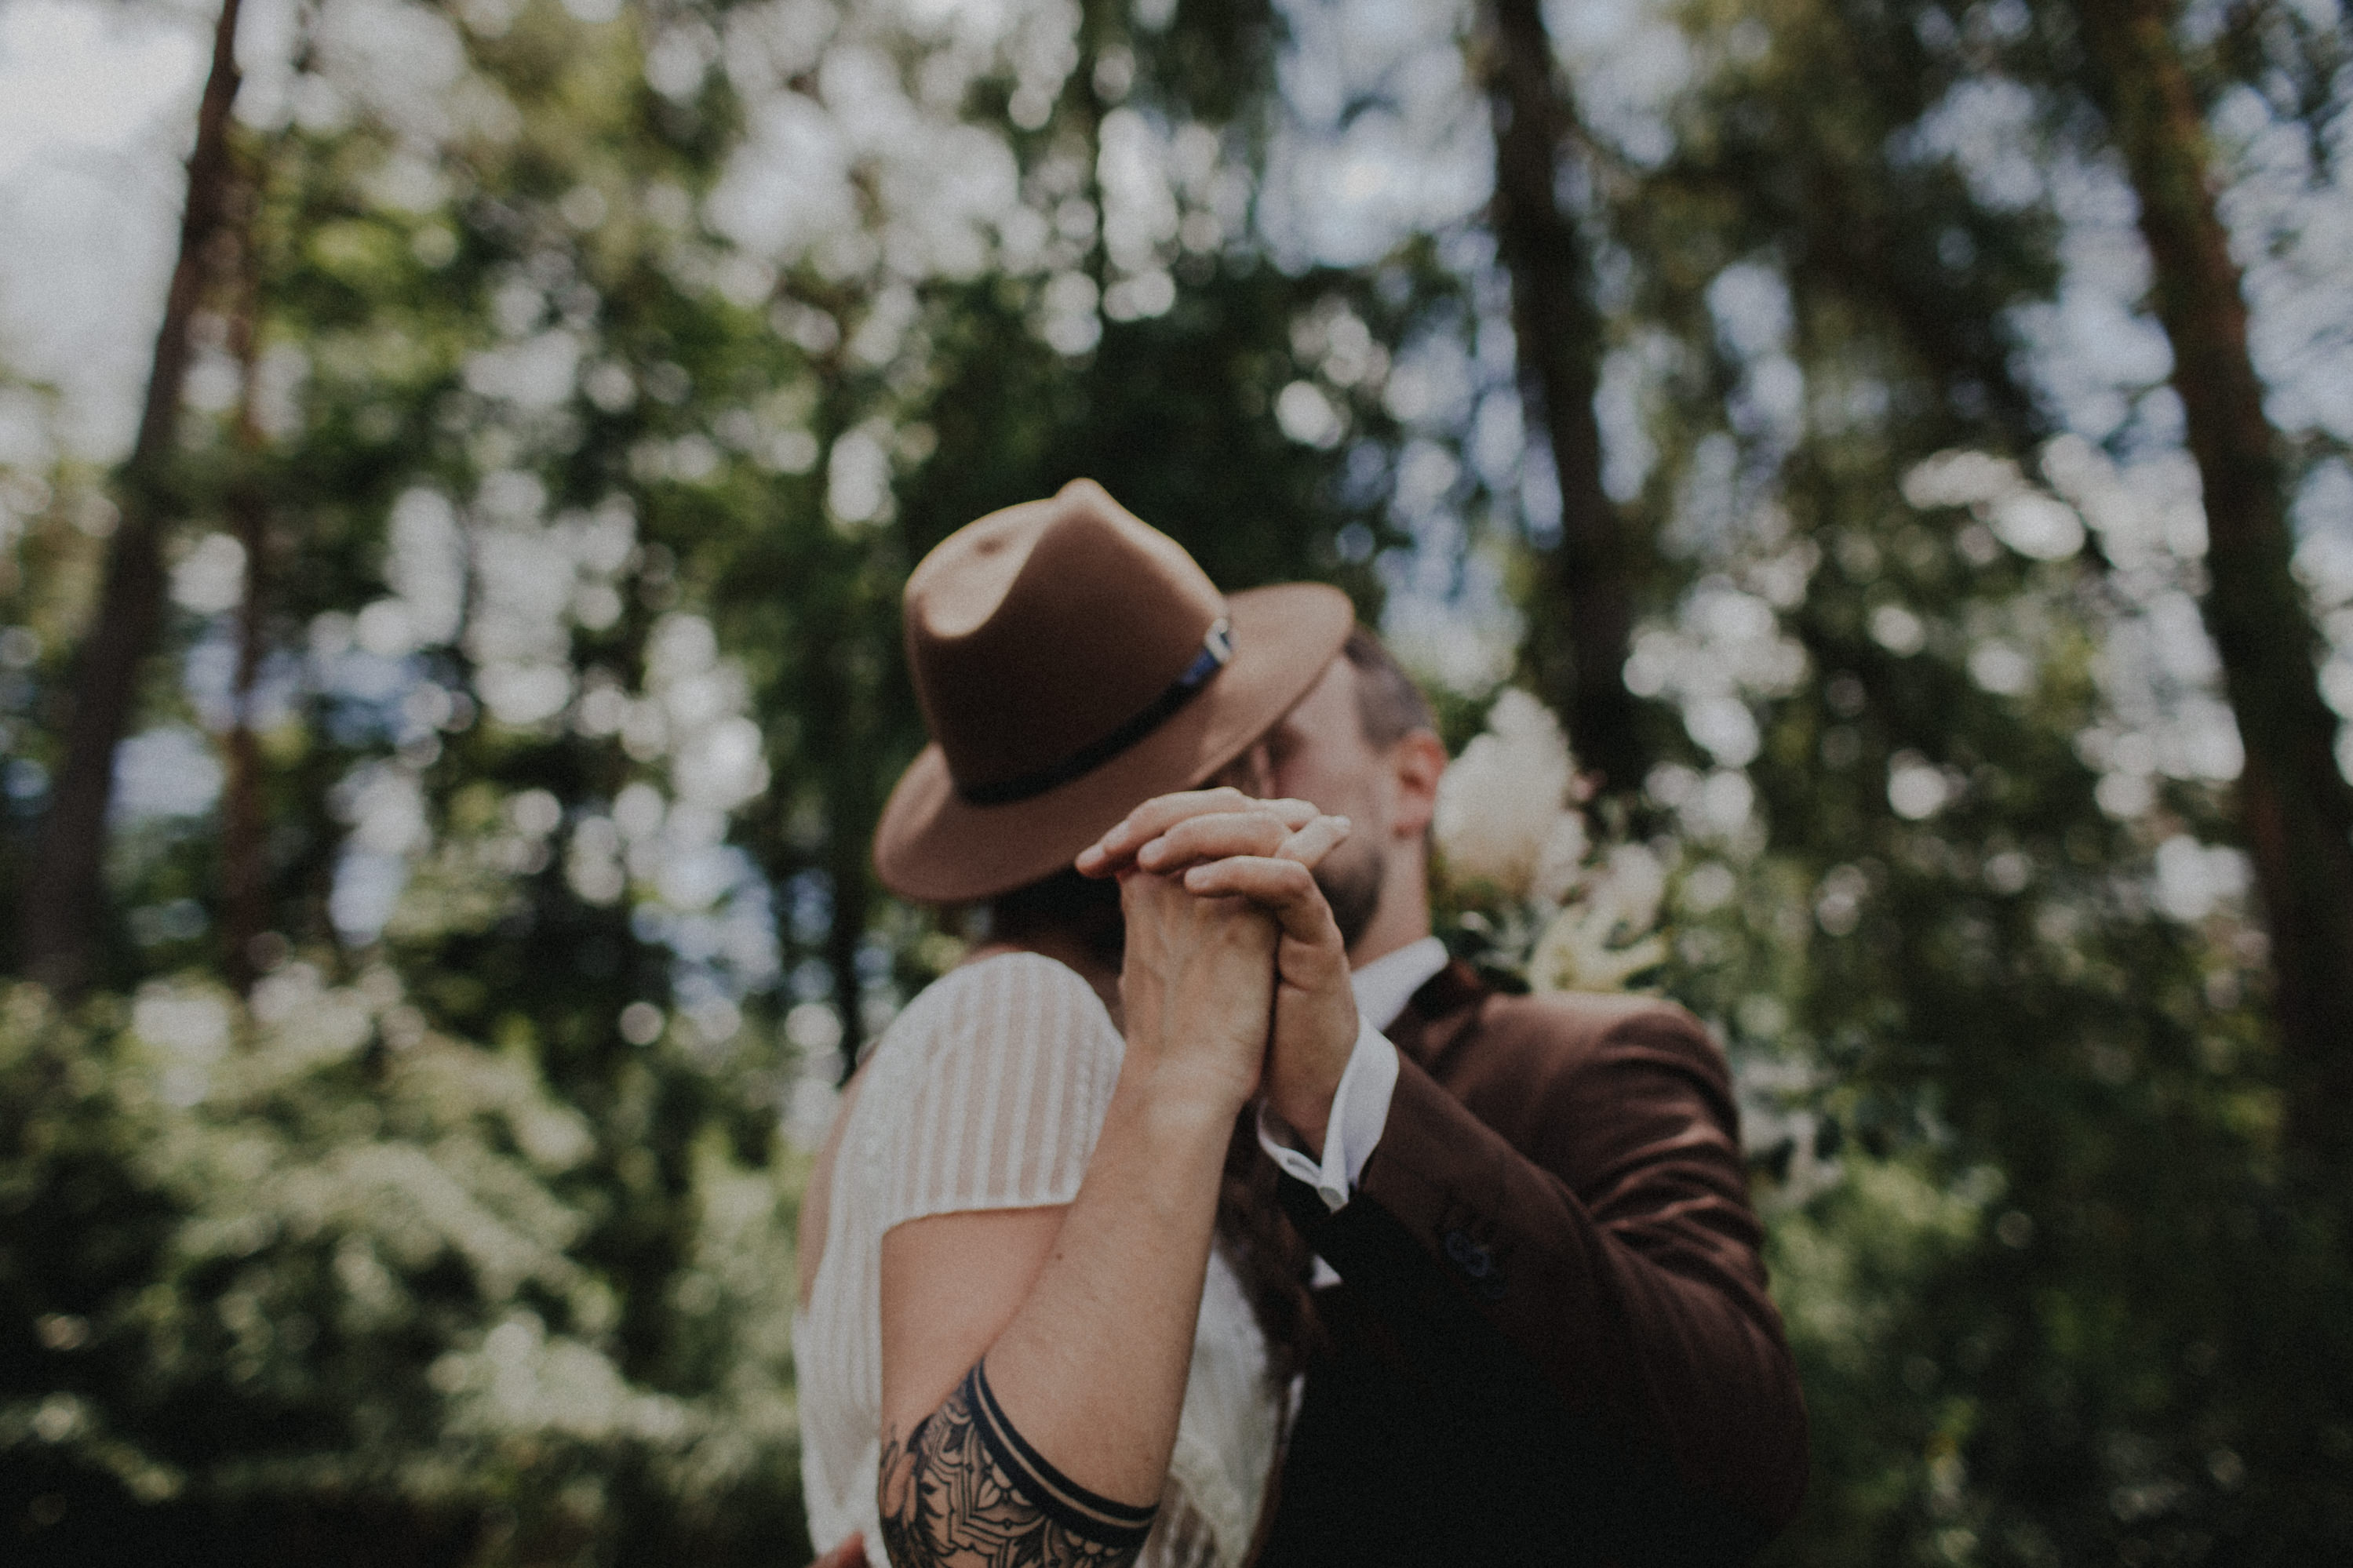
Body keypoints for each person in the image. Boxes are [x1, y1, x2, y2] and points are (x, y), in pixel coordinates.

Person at [1076, 631, 1812, 1565]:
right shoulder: (1143, 1128)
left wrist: (1348, 1095)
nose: (1237, 795)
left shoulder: (1594, 1055)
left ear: (1413, 782)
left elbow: (1744, 1450)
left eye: (1276, 750)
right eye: (1214, 769)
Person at [793, 480, 1363, 1568]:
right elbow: (978, 1552)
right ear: (1214, 783)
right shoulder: (1019, 1018)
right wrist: (1182, 1073)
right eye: (1254, 745)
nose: (1276, 779)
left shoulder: (994, 1043)